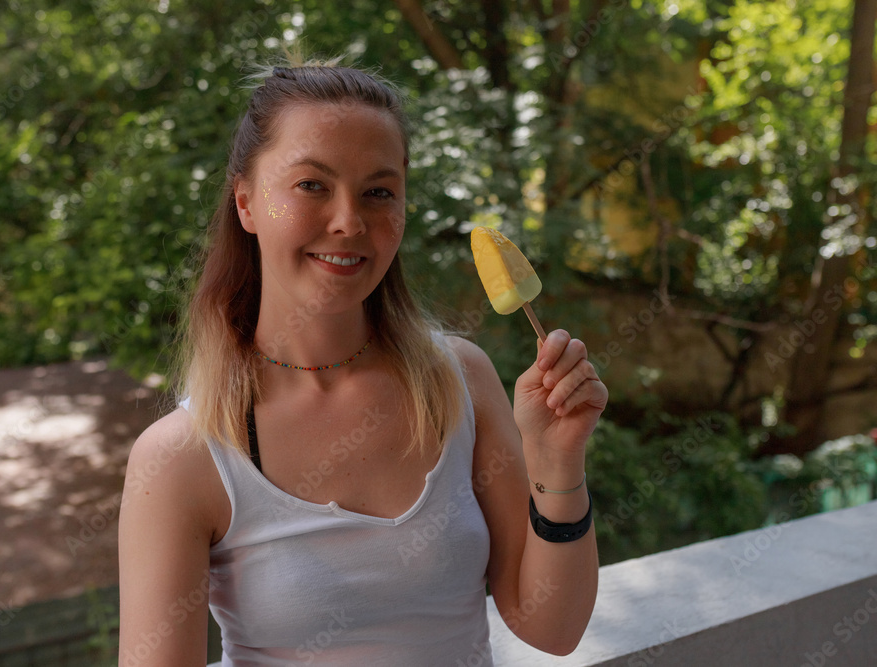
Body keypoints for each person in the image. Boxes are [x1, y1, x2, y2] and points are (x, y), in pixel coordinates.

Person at [118, 57, 608, 666]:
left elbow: (553, 629)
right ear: (246, 202)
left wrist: (557, 460)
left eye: (379, 192)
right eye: (311, 185)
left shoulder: (461, 381)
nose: (349, 222)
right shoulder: (183, 457)